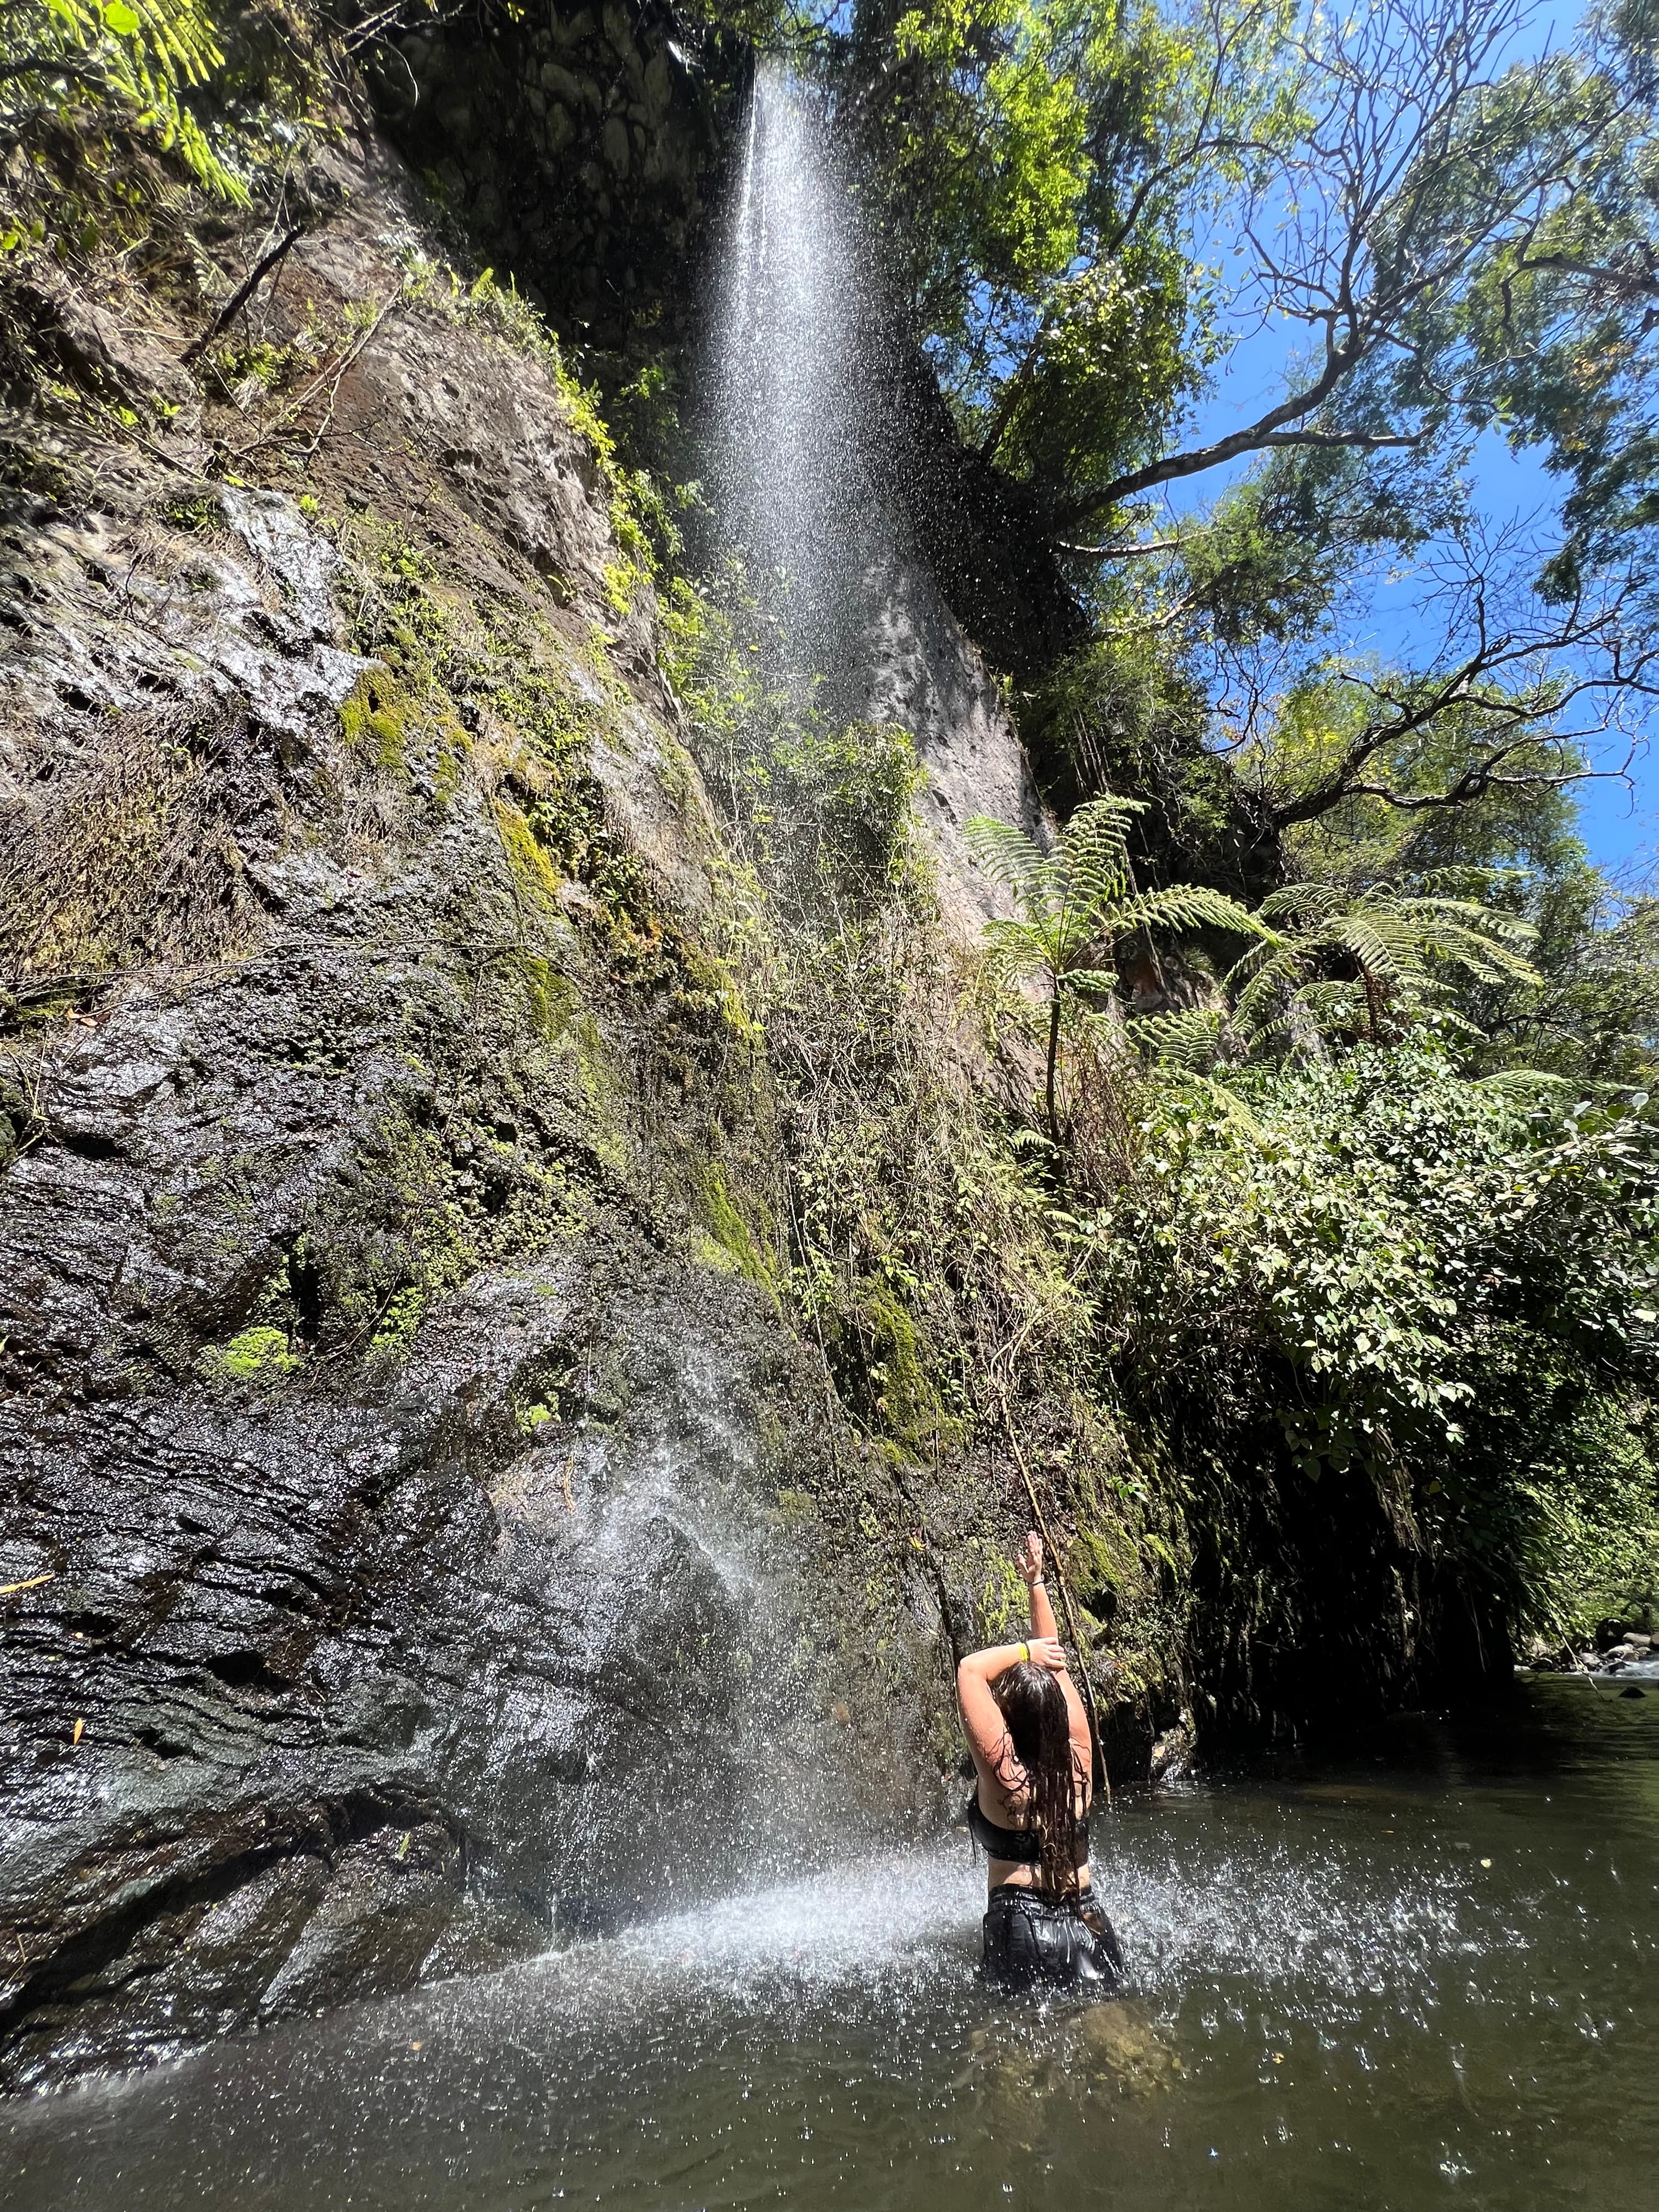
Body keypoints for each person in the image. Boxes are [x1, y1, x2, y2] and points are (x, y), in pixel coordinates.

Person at [957, 1530, 1124, 1994]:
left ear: (1007, 1717)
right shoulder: (1081, 1759)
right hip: (1087, 1921)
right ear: (1060, 1716)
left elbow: (971, 1670)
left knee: (1011, 2058)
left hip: (1020, 1927)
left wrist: (1024, 1651)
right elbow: (1056, 1666)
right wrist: (1037, 1583)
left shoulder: (1002, 1773)